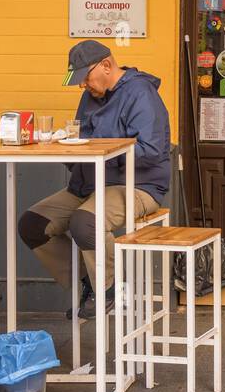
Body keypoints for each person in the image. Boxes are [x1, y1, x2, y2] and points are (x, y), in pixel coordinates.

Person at [17, 40, 171, 319]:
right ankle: (90, 278)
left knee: (84, 221)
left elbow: (151, 150)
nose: (82, 86)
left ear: (107, 66)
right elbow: (82, 142)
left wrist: (103, 153)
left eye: (85, 78)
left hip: (136, 185)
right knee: (32, 224)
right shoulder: (90, 96)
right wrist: (62, 147)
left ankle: (109, 289)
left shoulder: (141, 93)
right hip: (88, 183)